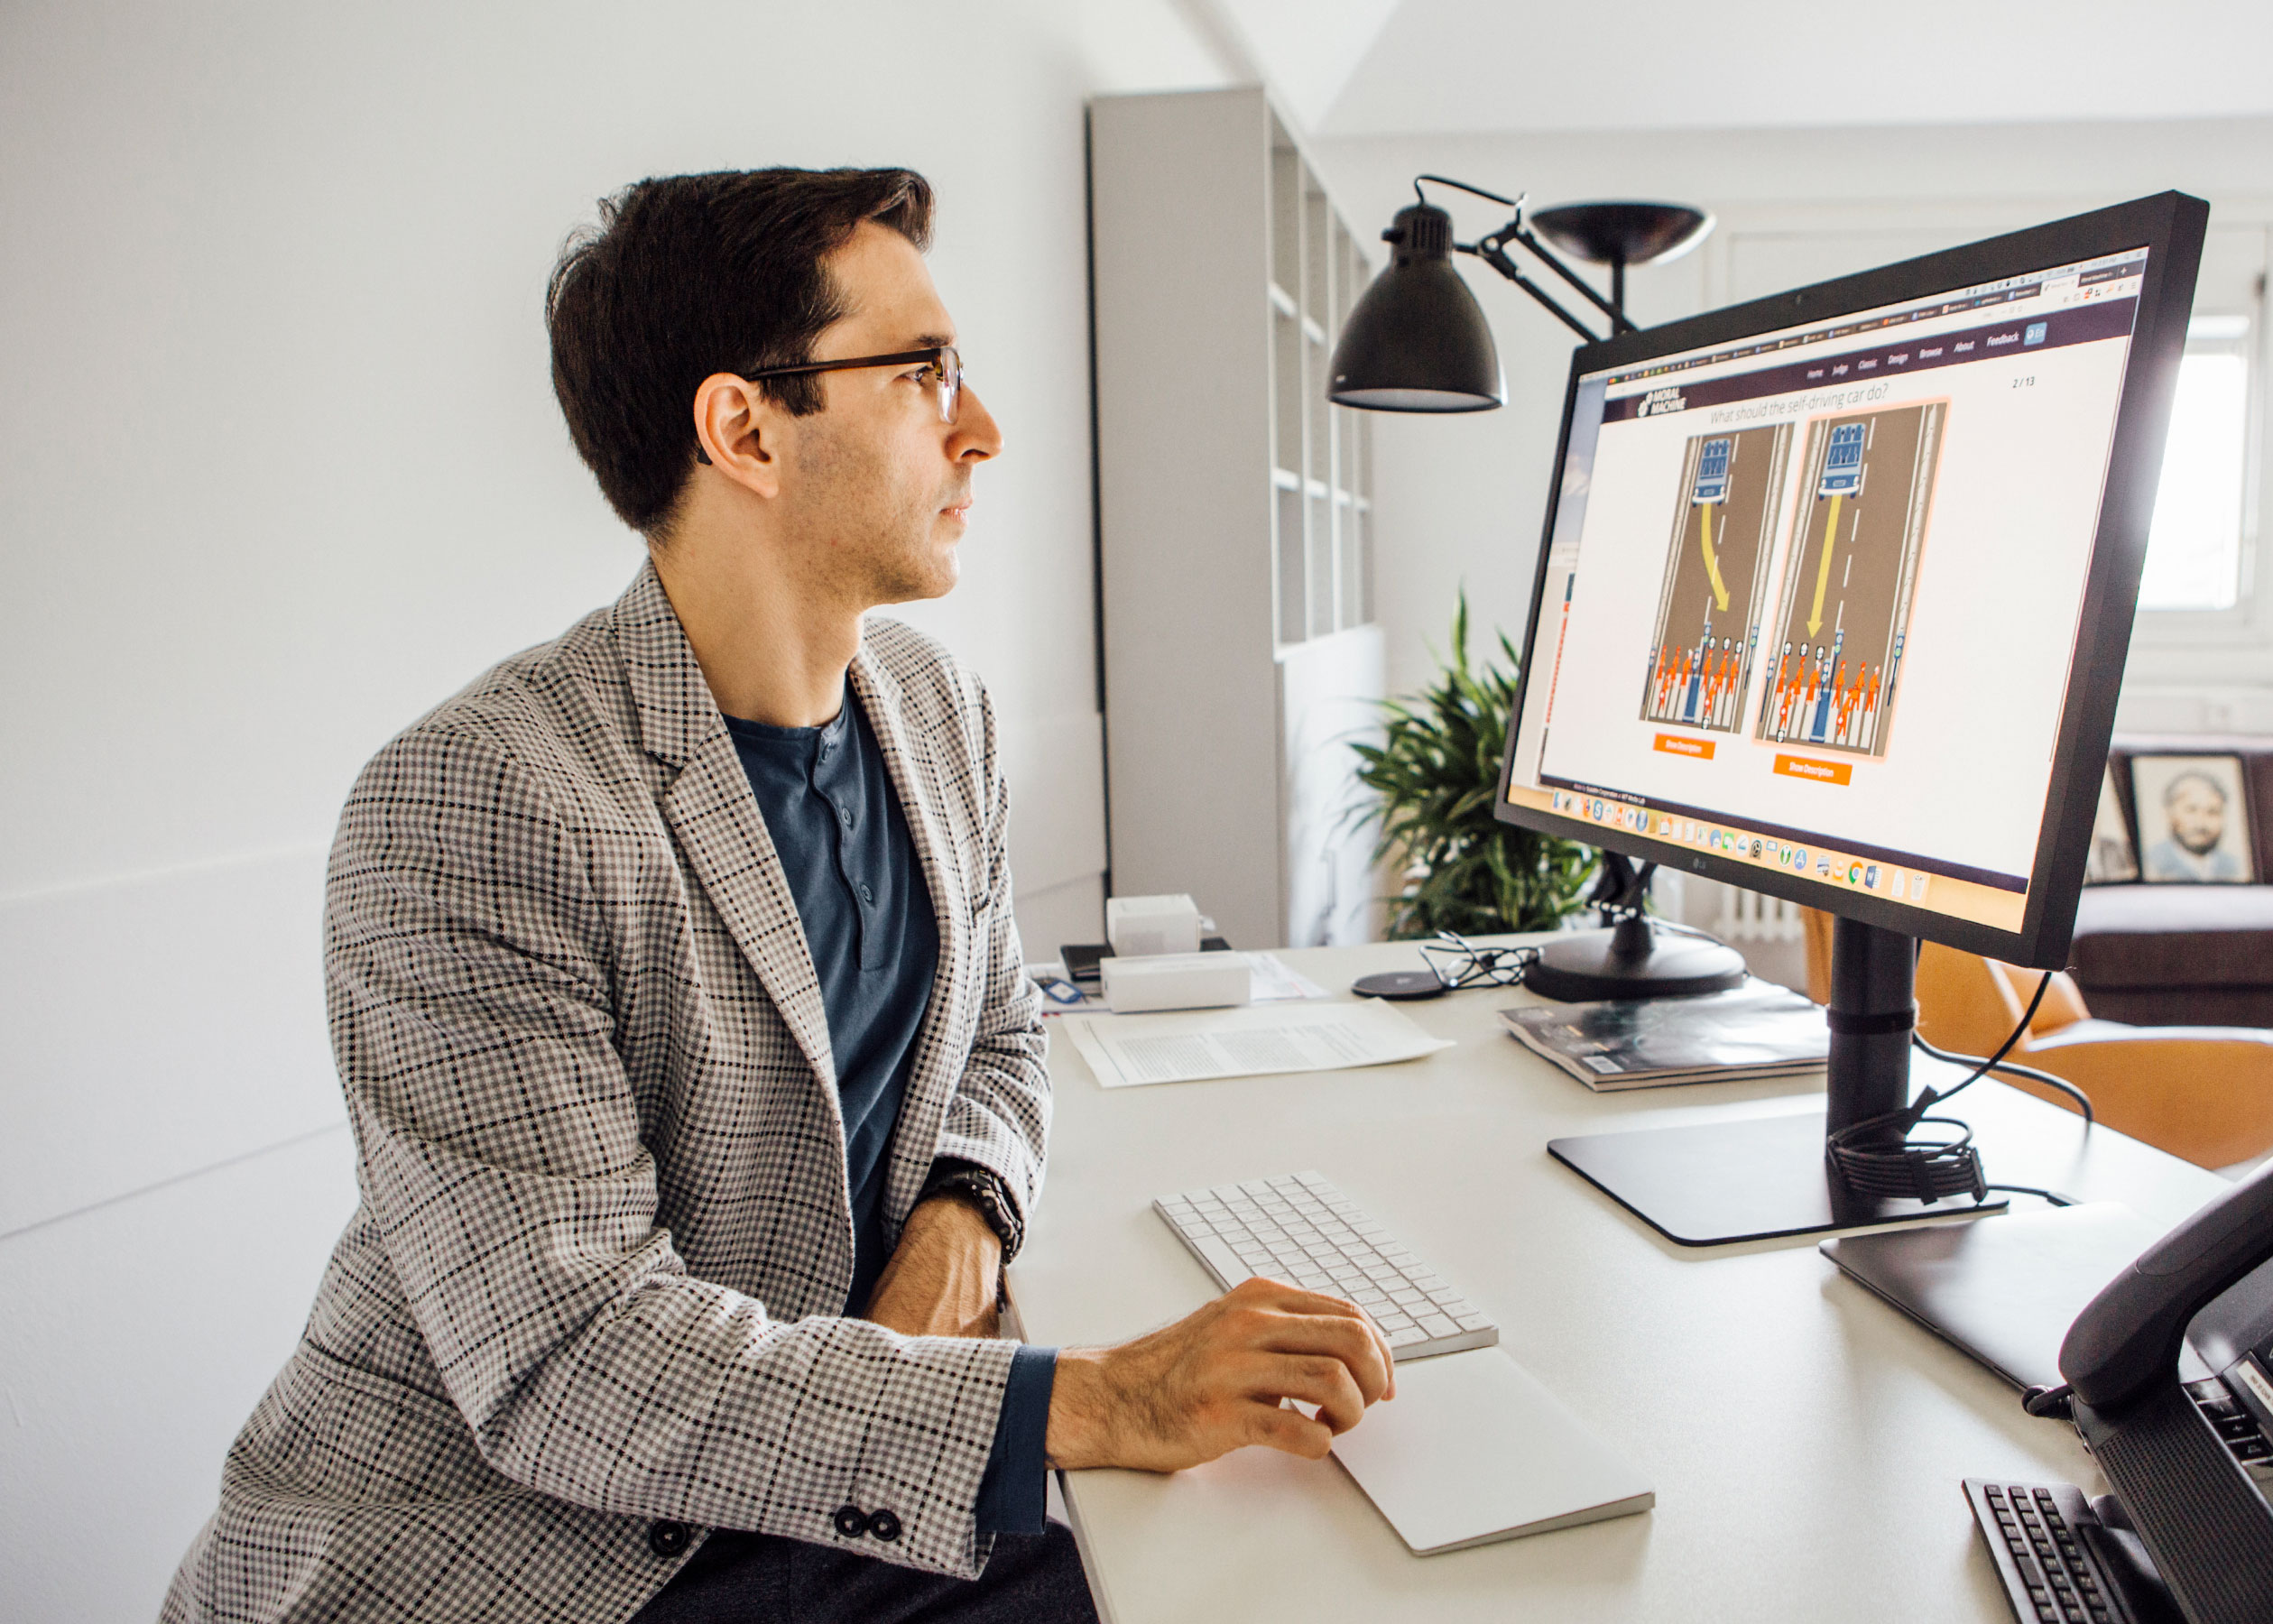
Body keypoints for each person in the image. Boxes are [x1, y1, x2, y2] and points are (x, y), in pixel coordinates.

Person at [162, 168, 1392, 1624]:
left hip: (827, 1481)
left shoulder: (941, 715)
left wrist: (958, 1234)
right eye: (925, 371)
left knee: (1277, 1561)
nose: (983, 429)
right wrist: (1102, 1399)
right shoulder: (477, 802)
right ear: (744, 426)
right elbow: (575, 1364)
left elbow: (1000, 1043)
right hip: (538, 1561)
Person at [2143, 768, 2245, 881]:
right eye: (2191, 810)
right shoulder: (2150, 863)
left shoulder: (2235, 866)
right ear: (2169, 814)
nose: (2201, 823)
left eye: (2212, 812)